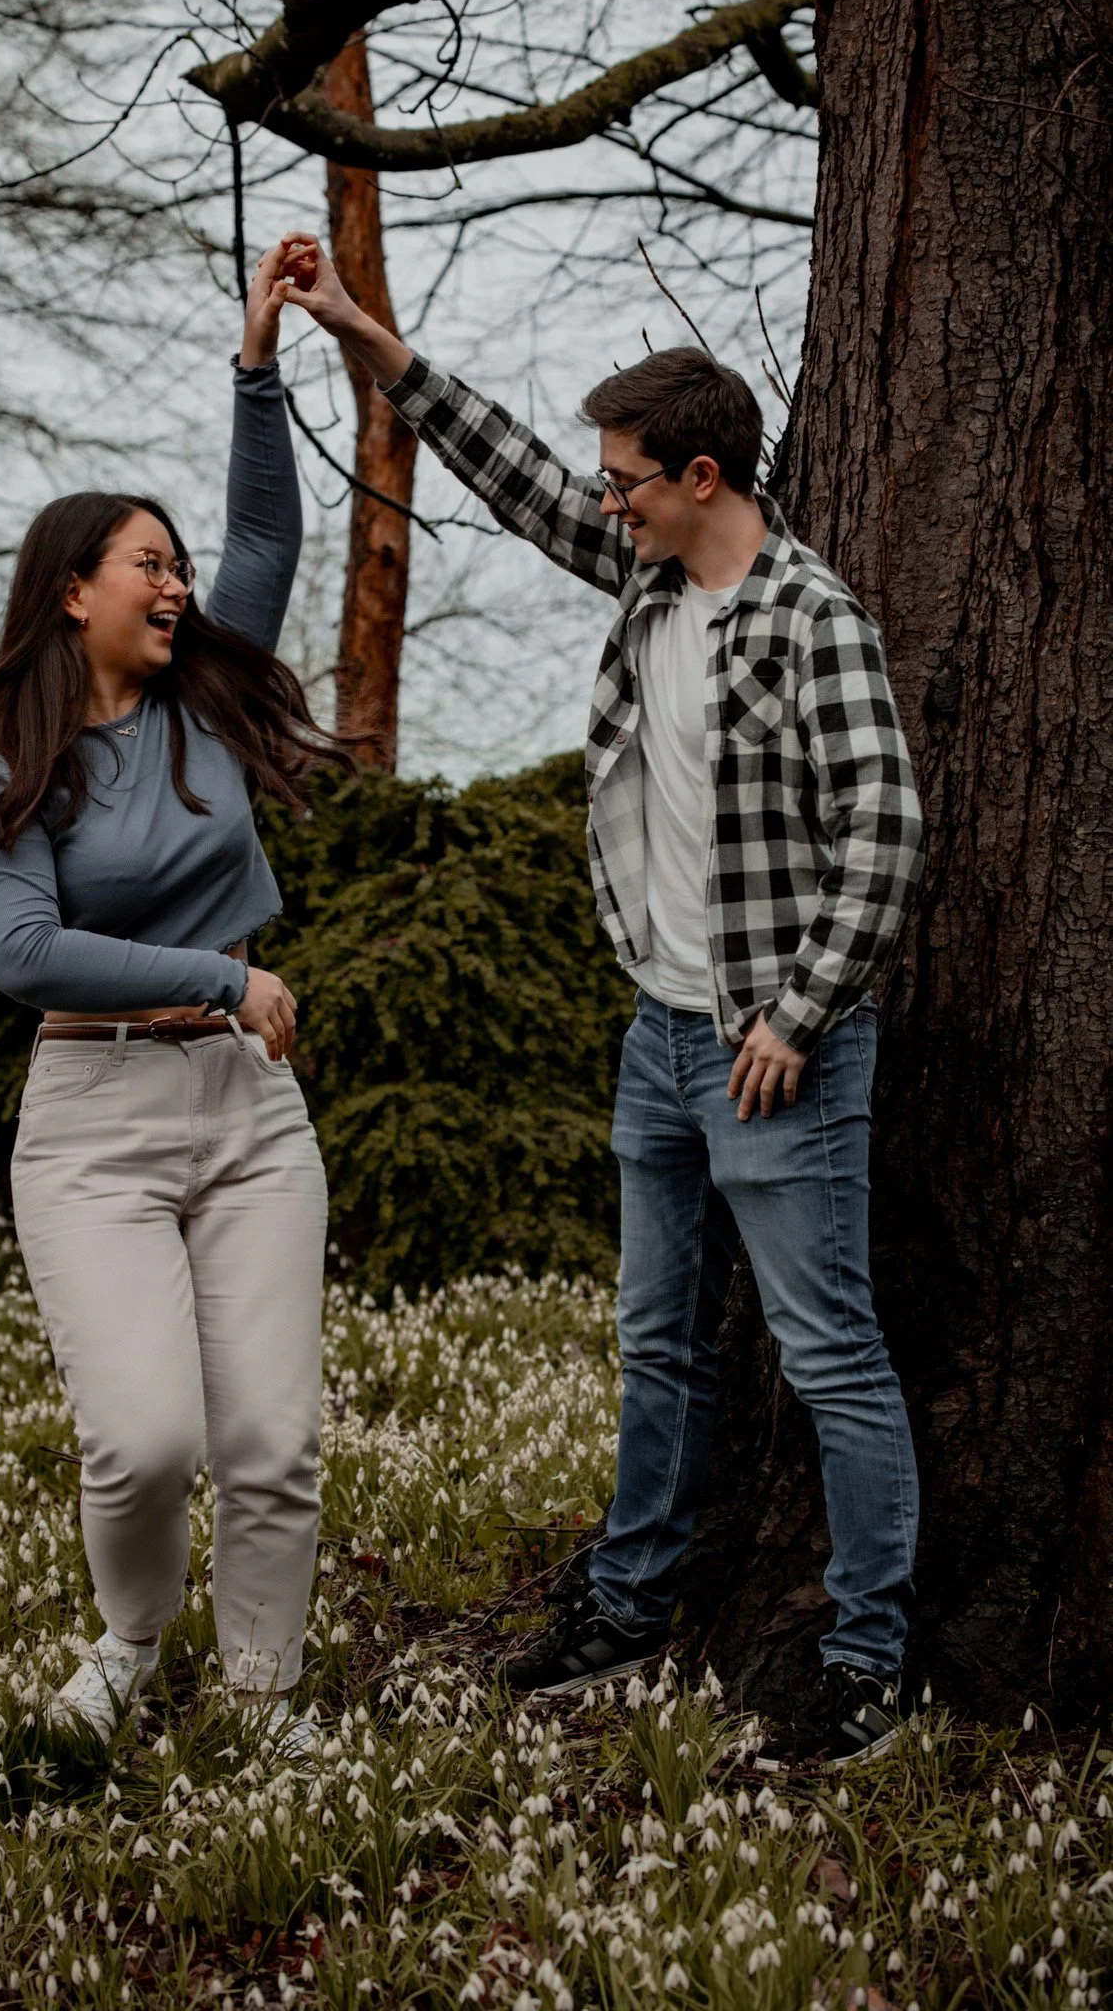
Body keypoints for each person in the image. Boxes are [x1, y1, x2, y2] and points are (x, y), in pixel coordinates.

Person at [279, 233, 925, 1767]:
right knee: (659, 1335)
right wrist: (362, 331)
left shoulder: (807, 618)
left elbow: (887, 829)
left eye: (627, 478)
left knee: (827, 1350)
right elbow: (502, 467)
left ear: (701, 476)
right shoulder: (647, 577)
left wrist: (796, 1015)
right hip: (659, 1033)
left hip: (778, 1053)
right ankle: (631, 1606)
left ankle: (870, 1662)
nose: (604, 499)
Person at [0, 241, 346, 1755]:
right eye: (148, 563)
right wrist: (222, 973)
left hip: (248, 1112)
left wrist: (260, 359)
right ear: (73, 589)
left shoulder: (208, 698)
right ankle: (136, 1644)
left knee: (272, 1438)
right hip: (91, 1118)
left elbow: (265, 536)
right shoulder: (15, 773)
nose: (180, 582)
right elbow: (23, 959)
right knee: (146, 1441)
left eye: (176, 564)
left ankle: (269, 1703)